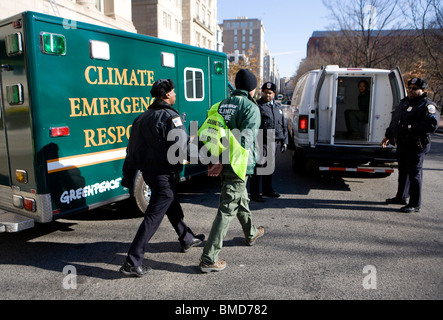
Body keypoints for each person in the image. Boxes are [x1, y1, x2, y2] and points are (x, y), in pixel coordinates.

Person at [120, 79, 204, 277]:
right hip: (164, 174)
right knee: (153, 216)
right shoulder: (170, 117)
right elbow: (182, 149)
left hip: (149, 174)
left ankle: (186, 238)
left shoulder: (141, 118)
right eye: (174, 92)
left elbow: (130, 151)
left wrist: (127, 175)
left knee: (171, 202)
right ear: (166, 95)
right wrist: (208, 158)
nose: (175, 95)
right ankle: (132, 261)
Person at [198, 69, 265, 273]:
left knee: (240, 198)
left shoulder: (220, 104)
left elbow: (209, 132)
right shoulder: (250, 108)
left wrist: (216, 158)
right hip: (237, 164)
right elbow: (245, 141)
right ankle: (209, 258)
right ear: (252, 88)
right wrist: (223, 160)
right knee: (227, 208)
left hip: (222, 160)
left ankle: (251, 232)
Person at [382, 78, 439, 213]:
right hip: (403, 143)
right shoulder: (405, 102)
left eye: (415, 88)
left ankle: (415, 203)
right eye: (410, 88)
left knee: (414, 174)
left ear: (422, 90)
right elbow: (395, 121)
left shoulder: (426, 105)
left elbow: (432, 124)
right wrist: (388, 135)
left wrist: (410, 126)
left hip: (416, 144)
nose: (411, 90)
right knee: (403, 172)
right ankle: (401, 197)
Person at [249, 82, 288, 202]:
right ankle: (255, 192)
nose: (268, 95)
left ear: (274, 94)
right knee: (259, 166)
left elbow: (283, 124)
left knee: (269, 167)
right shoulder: (257, 106)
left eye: (270, 93)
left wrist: (284, 141)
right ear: (262, 92)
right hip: (261, 139)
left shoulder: (277, 107)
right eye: (265, 93)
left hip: (274, 140)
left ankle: (267, 190)